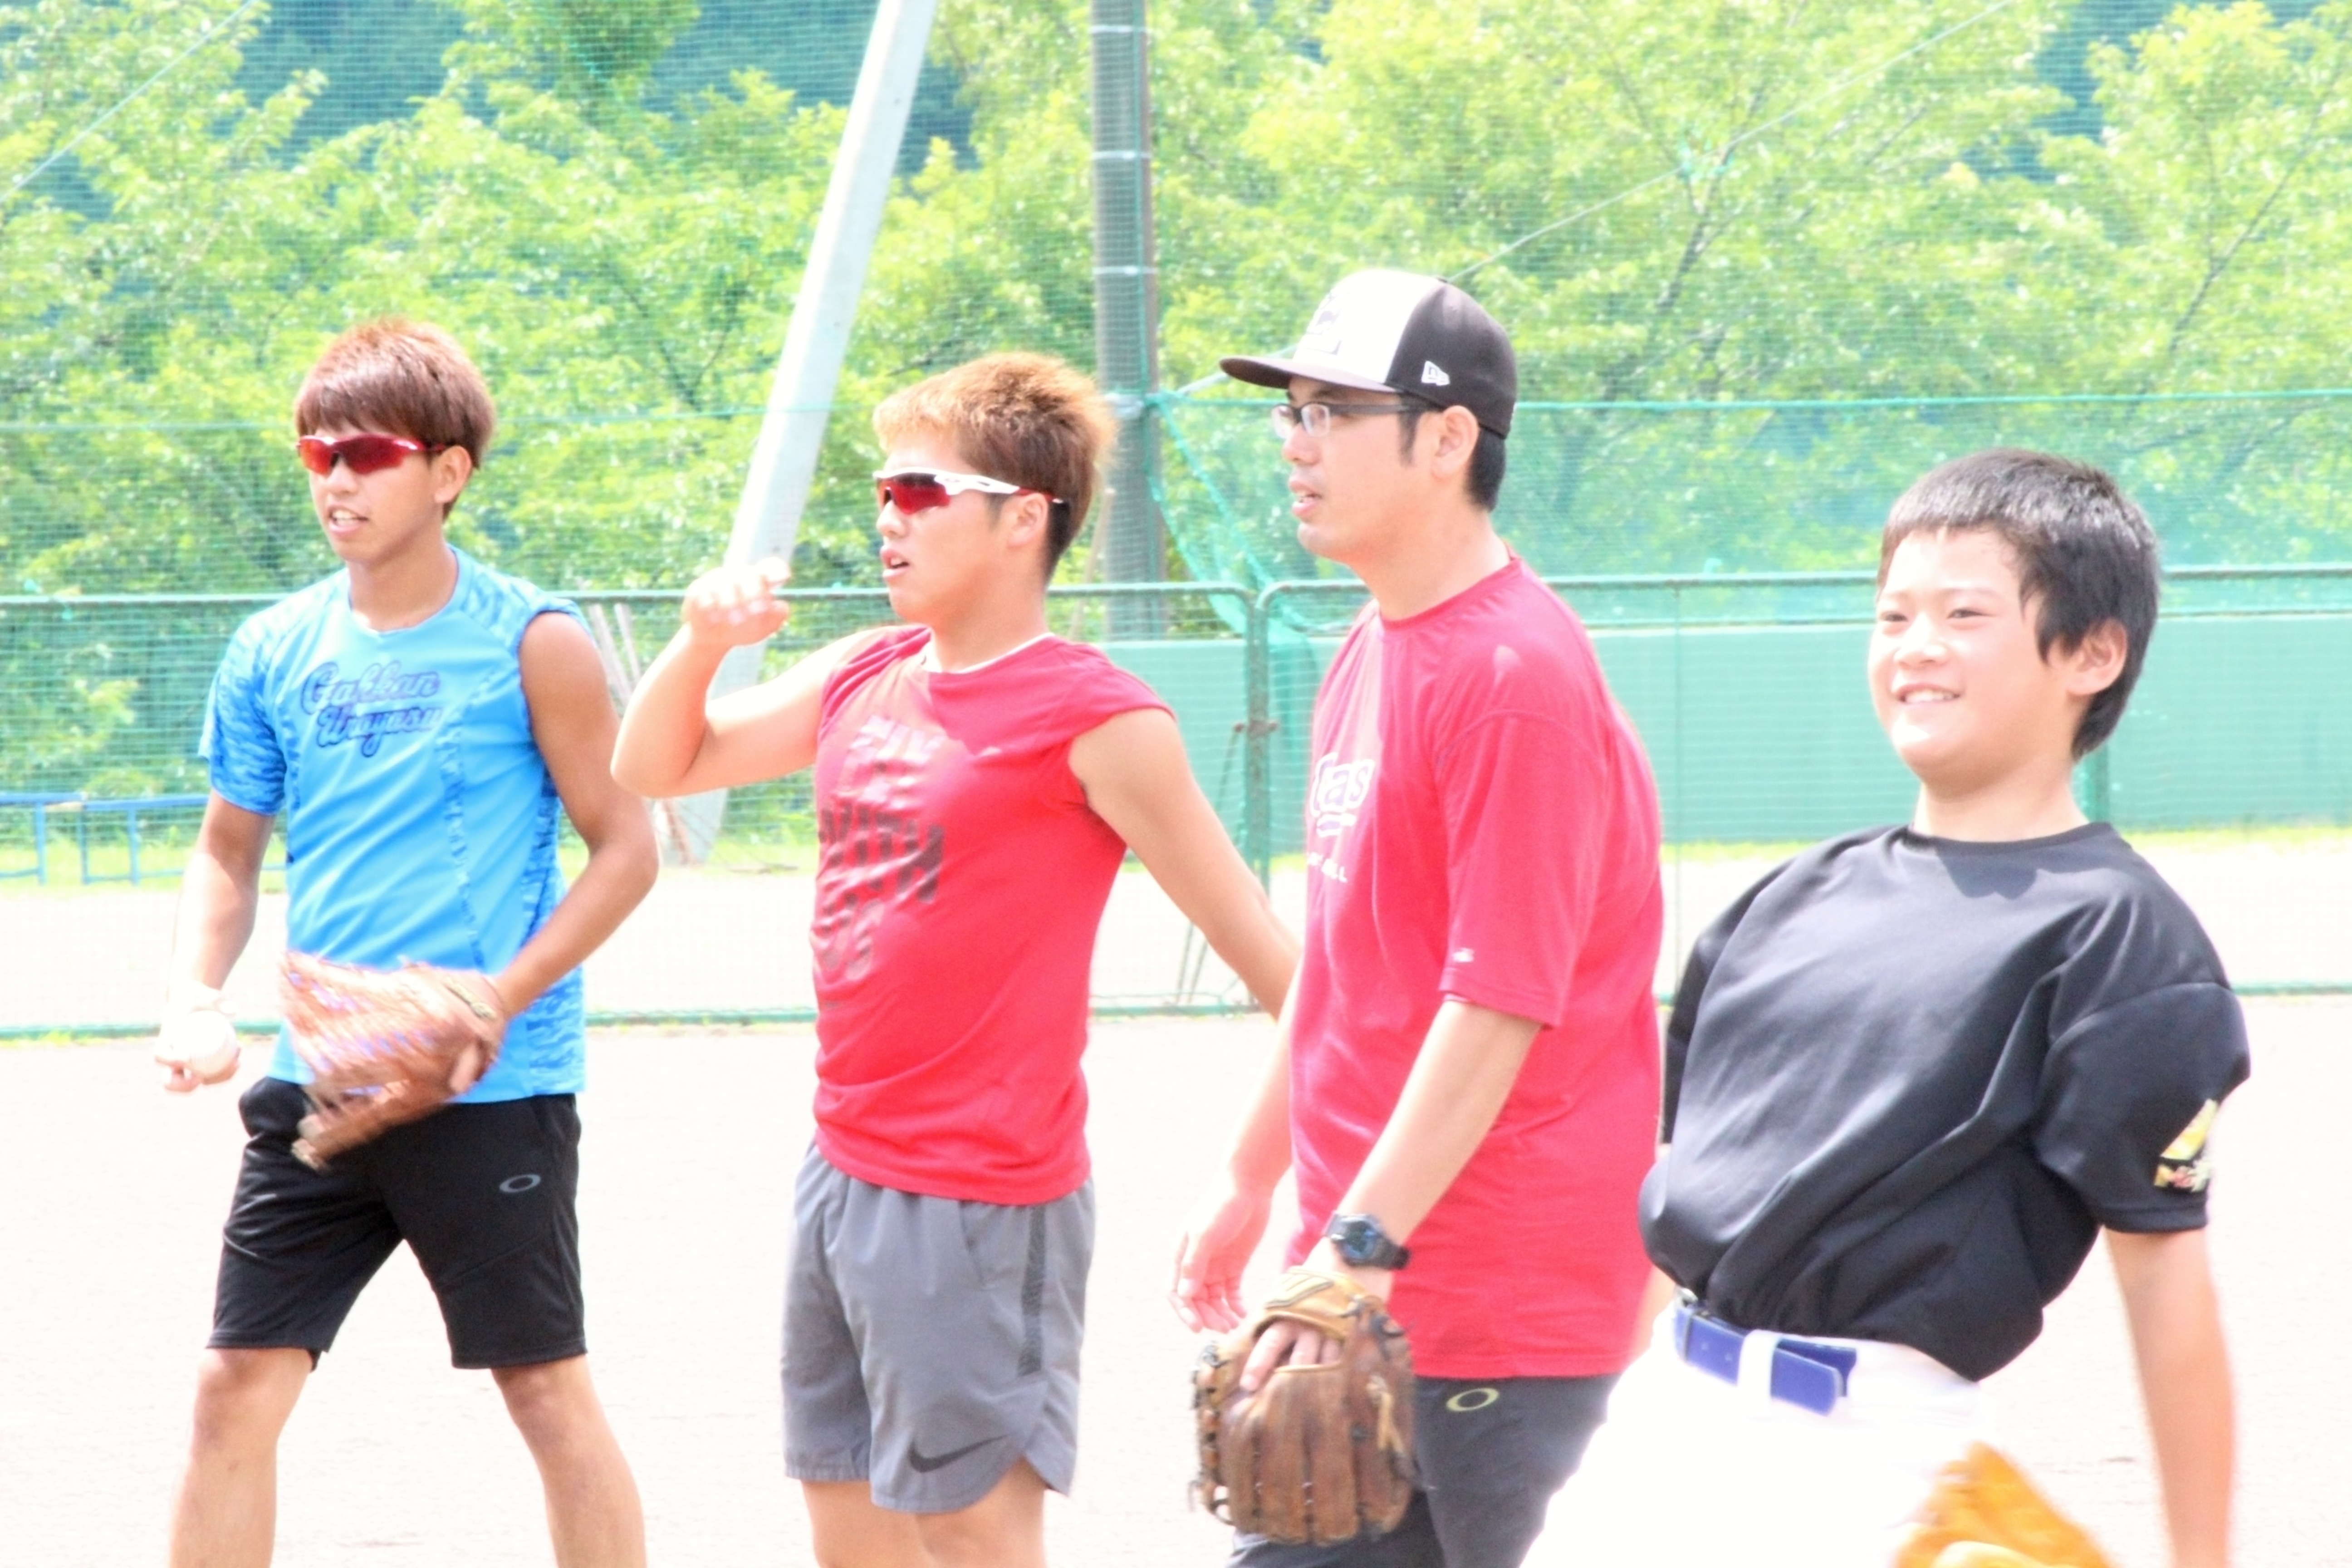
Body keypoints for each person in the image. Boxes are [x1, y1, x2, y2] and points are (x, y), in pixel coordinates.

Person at [610, 351, 1298, 1568]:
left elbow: (1288, 977)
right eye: (883, 491)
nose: (889, 517)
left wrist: (1259, 1184)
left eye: (921, 491)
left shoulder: (1100, 718)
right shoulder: (865, 670)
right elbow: (657, 765)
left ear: (1025, 519)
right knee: (849, 1527)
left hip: (984, 1198)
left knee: (969, 1532)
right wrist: (701, 644)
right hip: (843, 1169)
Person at [1524, 449, 2245, 1568]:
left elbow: (2165, 1286)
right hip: (1664, 1421)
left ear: (2092, 653)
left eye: (1965, 614)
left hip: (1864, 1458)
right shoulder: (1786, 901)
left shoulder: (2119, 937)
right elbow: (1695, 1206)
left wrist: (2204, 1561)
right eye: (1894, 614)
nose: (1917, 645)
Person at [1176, 270, 1668, 1568]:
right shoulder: (1374, 643)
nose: (1297, 442)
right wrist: (1250, 1178)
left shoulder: (1513, 676)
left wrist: (1359, 1242)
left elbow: (1497, 1004)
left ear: (1449, 440)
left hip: (1504, 1317)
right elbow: (1343, 965)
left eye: (1334, 412)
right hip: (1361, 1285)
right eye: (1292, 411)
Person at [151, 319, 659, 1568]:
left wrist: (497, 997)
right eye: (315, 454)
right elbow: (227, 852)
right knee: (233, 1385)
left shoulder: (532, 638)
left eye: (367, 454)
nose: (336, 479)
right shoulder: (273, 646)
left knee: (545, 1392)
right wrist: (196, 992)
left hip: (491, 1087)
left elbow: (626, 846)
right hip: (323, 1082)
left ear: (447, 472)